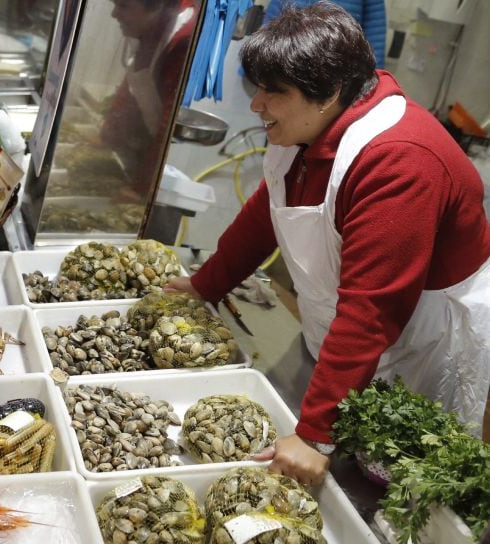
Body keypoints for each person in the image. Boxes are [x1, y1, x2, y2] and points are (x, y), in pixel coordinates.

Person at [166, 1, 490, 486]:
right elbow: (266, 214)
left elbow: (372, 309)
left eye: (274, 93)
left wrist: (315, 434)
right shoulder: (306, 130)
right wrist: (204, 286)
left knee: (395, 481)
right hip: (348, 336)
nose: (257, 105)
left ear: (330, 92)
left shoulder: (400, 160)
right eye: (258, 89)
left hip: (421, 343)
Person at [99, 0, 197, 199]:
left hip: (156, 161)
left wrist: (142, 187)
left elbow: (167, 123)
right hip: (141, 151)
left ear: (157, 7)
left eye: (123, 6)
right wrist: (107, 135)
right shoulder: (147, 31)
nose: (114, 14)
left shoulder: (183, 42)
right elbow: (133, 85)